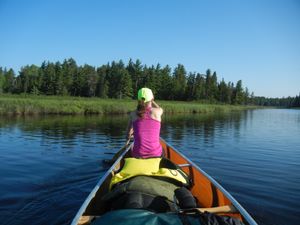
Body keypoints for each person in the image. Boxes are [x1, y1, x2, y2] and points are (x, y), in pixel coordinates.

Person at [126, 87, 163, 158]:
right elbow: (159, 108)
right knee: (162, 150)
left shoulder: (133, 114)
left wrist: (129, 136)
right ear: (152, 99)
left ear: (138, 99)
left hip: (138, 154)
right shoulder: (158, 112)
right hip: (156, 154)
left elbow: (128, 134)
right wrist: (153, 101)